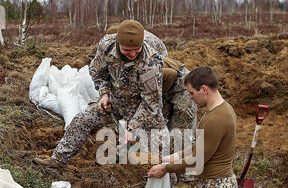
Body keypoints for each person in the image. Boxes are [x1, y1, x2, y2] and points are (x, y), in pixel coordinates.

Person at [148, 66, 284, 188]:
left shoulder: (216, 119)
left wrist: (166, 168)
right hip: (216, 183)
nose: (190, 98)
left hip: (216, 186)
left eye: (192, 93)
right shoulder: (217, 110)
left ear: (204, 89)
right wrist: (174, 157)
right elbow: (200, 147)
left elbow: (197, 160)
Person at [33, 20, 196, 169]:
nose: (132, 54)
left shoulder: (151, 62)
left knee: (157, 145)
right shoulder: (106, 46)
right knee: (81, 120)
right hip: (116, 100)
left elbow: (150, 104)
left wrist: (132, 127)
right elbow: (97, 72)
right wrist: (104, 94)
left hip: (143, 107)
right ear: (118, 43)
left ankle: (171, 179)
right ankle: (58, 160)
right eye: (127, 50)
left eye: (136, 50)